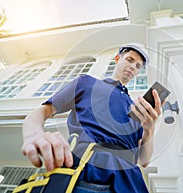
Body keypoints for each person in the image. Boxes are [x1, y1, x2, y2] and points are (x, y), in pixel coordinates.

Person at [21, 43, 165, 193]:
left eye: (137, 66)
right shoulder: (87, 83)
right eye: (129, 60)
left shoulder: (137, 108)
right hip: (88, 172)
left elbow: (144, 160)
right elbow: (43, 111)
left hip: (131, 181)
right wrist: (34, 134)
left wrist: (149, 129)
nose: (133, 67)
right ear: (117, 58)